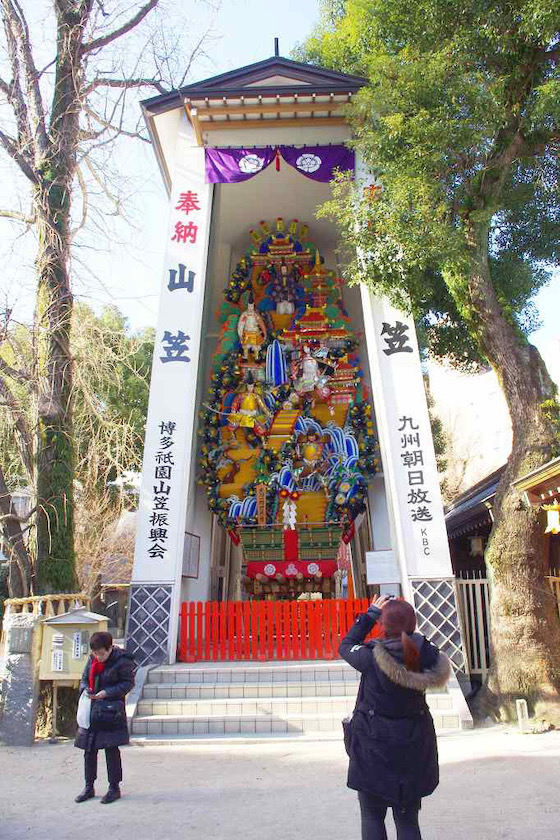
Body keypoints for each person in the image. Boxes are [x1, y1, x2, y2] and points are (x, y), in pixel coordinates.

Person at [339, 594, 451, 840]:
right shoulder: (424, 655)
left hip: (373, 743)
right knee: (407, 819)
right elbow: (429, 647)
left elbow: (346, 645)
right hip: (413, 742)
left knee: (371, 815)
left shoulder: (370, 656)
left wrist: (370, 615)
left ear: (383, 625)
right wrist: (410, 632)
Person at [74, 631, 135, 804]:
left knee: (111, 750)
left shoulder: (123, 661)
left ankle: (114, 787)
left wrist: (107, 692)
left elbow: (128, 683)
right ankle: (88, 786)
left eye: (102, 653)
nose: (98, 657)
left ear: (110, 648)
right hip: (92, 711)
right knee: (89, 750)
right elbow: (84, 679)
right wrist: (86, 689)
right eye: (95, 653)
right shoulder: (92, 660)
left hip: (110, 711)